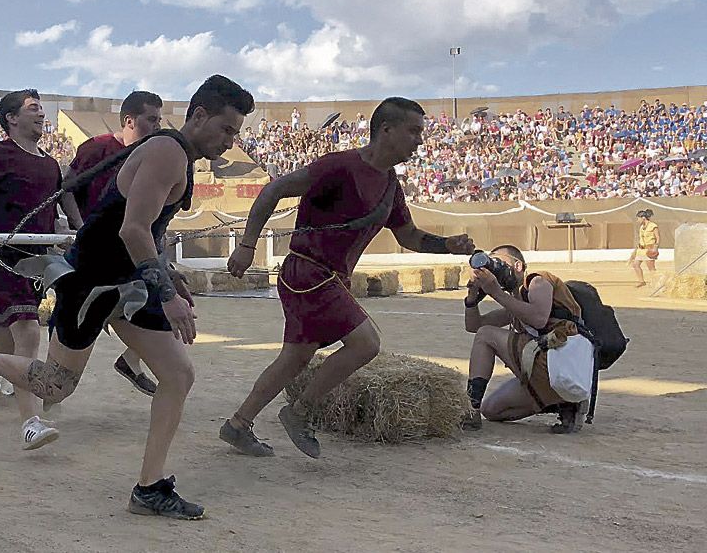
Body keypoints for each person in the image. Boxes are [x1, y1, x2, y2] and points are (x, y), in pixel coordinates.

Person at [0, 75, 255, 520]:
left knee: (178, 373)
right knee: (57, 386)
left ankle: (149, 488)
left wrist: (168, 277)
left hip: (127, 279)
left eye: (237, 133)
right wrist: (166, 294)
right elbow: (132, 229)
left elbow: (147, 230)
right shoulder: (168, 152)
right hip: (91, 282)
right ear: (200, 115)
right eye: (227, 130)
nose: (231, 142)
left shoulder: (180, 158)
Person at [219, 96, 475, 459]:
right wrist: (246, 245)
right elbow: (274, 189)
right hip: (309, 273)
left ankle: (238, 424)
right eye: (414, 131)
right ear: (386, 130)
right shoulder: (339, 166)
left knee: (294, 359)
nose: (420, 140)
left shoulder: (390, 188)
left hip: (324, 279)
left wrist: (448, 245)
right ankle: (300, 412)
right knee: (366, 343)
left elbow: (410, 237)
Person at [0, 89, 84, 450]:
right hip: (3, 257)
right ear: (12, 118)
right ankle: (30, 422)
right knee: (27, 329)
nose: (42, 115)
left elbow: (54, 211)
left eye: (42, 109)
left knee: (6, 339)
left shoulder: (50, 165)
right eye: (34, 109)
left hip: (38, 260)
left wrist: (71, 231)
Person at [66, 90, 166, 397]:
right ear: (129, 120)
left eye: (160, 120)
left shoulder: (153, 155)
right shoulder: (97, 147)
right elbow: (67, 187)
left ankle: (130, 361)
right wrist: (80, 227)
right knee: (63, 375)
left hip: (131, 253)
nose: (158, 126)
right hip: (95, 255)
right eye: (152, 119)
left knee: (172, 304)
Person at [460, 245, 587, 433]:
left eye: (499, 263)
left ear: (518, 266)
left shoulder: (537, 281)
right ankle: (562, 403)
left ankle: (471, 408)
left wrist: (496, 292)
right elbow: (474, 326)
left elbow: (538, 318)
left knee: (487, 335)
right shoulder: (516, 300)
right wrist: (472, 299)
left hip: (560, 362)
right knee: (492, 410)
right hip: (548, 369)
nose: (495, 270)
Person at [630, 209, 660, 287]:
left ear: (643, 218)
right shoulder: (641, 227)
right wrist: (636, 250)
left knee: (651, 268)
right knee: (635, 264)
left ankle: (657, 283)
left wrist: (655, 247)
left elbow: (657, 237)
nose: (637, 220)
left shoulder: (653, 226)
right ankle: (641, 281)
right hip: (641, 249)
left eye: (638, 218)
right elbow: (641, 239)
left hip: (649, 249)